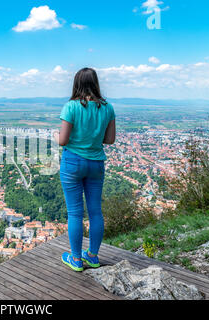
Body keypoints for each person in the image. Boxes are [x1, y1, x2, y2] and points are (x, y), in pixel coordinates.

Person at [53, 67, 116, 271]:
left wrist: (55, 135)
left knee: (75, 213)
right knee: (96, 211)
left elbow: (63, 141)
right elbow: (110, 140)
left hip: (72, 162)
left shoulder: (71, 107)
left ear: (76, 83)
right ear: (96, 83)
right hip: (96, 163)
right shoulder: (107, 108)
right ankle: (93, 256)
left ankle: (76, 259)